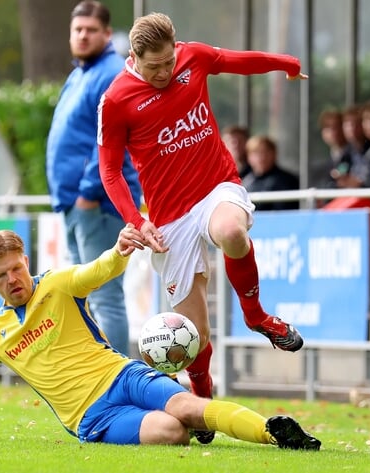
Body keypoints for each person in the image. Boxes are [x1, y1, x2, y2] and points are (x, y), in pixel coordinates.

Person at [0, 225, 321, 450]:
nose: (12, 279)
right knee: (171, 431)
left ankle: (273, 432)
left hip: (122, 374)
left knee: (187, 406)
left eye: (16, 268)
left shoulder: (57, 284)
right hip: (91, 417)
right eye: (1, 276)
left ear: (24, 259)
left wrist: (120, 248)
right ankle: (210, 427)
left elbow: (98, 271)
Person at [96, 12, 308, 444]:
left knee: (232, 232)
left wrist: (284, 62)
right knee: (192, 336)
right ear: (133, 58)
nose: (164, 72)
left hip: (216, 187)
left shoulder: (192, 58)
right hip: (169, 219)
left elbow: (238, 60)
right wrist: (138, 221)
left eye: (168, 62)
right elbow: (110, 170)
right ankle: (203, 392)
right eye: (153, 66)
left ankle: (257, 316)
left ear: (176, 48)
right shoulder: (116, 100)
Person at [46, 0, 142, 356]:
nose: (83, 36)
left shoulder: (110, 72)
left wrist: (87, 192)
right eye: (77, 30)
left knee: (105, 296)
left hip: (97, 204)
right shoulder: (80, 74)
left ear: (106, 34)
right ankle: (94, 374)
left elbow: (110, 142)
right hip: (75, 204)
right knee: (82, 296)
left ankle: (118, 377)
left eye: (91, 30)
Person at [241, 134, 300, 210]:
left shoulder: (287, 181)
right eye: (256, 153)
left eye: (265, 152)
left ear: (274, 154)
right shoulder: (245, 182)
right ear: (248, 157)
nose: (261, 157)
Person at [317, 109, 352, 188]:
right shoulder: (329, 160)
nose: (333, 132)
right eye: (328, 128)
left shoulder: (352, 154)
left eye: (336, 127)